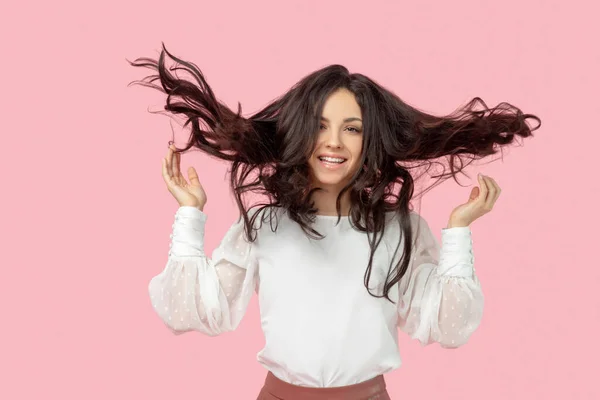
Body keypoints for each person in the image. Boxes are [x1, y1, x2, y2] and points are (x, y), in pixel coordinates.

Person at [129, 43, 541, 400]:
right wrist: (189, 216)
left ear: (371, 140)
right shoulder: (266, 226)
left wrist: (458, 232)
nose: (333, 142)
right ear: (300, 135)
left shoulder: (399, 229)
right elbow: (192, 311)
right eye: (320, 126)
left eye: (352, 129)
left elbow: (449, 328)